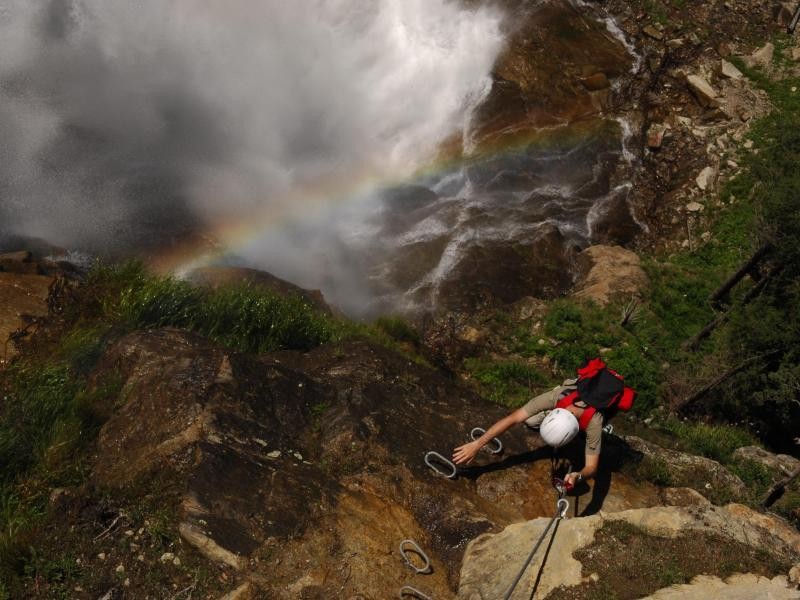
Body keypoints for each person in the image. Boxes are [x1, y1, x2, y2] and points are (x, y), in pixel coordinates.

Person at [452, 378, 603, 489]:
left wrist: (579, 476)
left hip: (587, 419)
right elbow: (513, 418)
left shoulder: (594, 423)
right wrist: (477, 444)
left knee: (581, 445)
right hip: (564, 400)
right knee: (530, 421)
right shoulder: (556, 396)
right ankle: (546, 421)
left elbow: (591, 467)